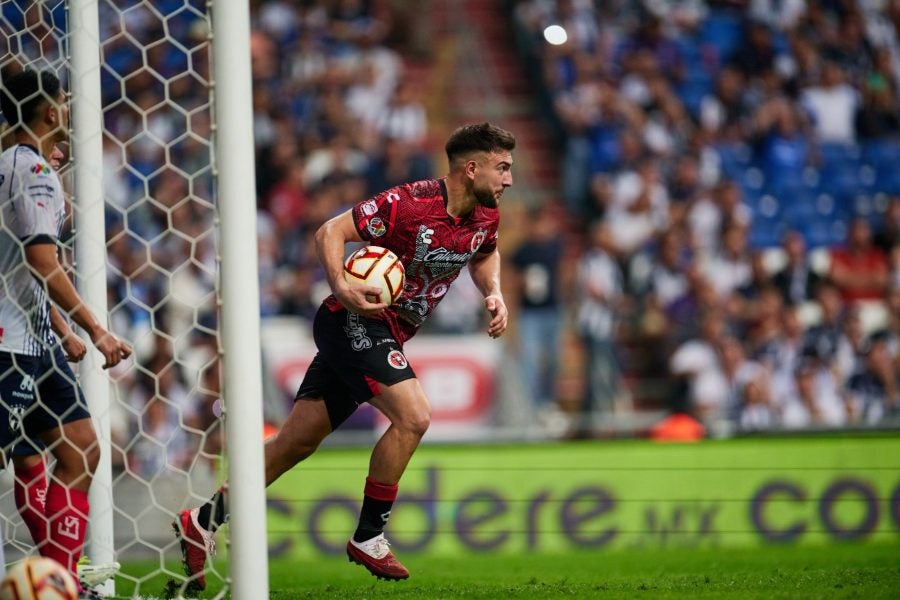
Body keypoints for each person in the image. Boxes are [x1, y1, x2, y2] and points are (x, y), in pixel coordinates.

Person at [174, 122, 514, 589]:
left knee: (295, 443)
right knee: (414, 417)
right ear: (471, 168)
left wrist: (493, 292)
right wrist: (343, 285)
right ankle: (369, 535)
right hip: (352, 320)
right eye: (502, 168)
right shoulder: (410, 203)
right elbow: (330, 231)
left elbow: (483, 253)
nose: (509, 179)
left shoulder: (486, 216)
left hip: (390, 331)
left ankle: (203, 521)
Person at [0, 69, 132, 594]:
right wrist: (96, 330)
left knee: (80, 448)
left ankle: (61, 582)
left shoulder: (19, 164)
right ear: (51, 112)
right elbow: (38, 259)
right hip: (9, 345)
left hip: (35, 338)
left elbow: (13, 265)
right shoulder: (30, 168)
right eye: (64, 101)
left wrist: (59, 327)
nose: (70, 109)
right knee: (28, 456)